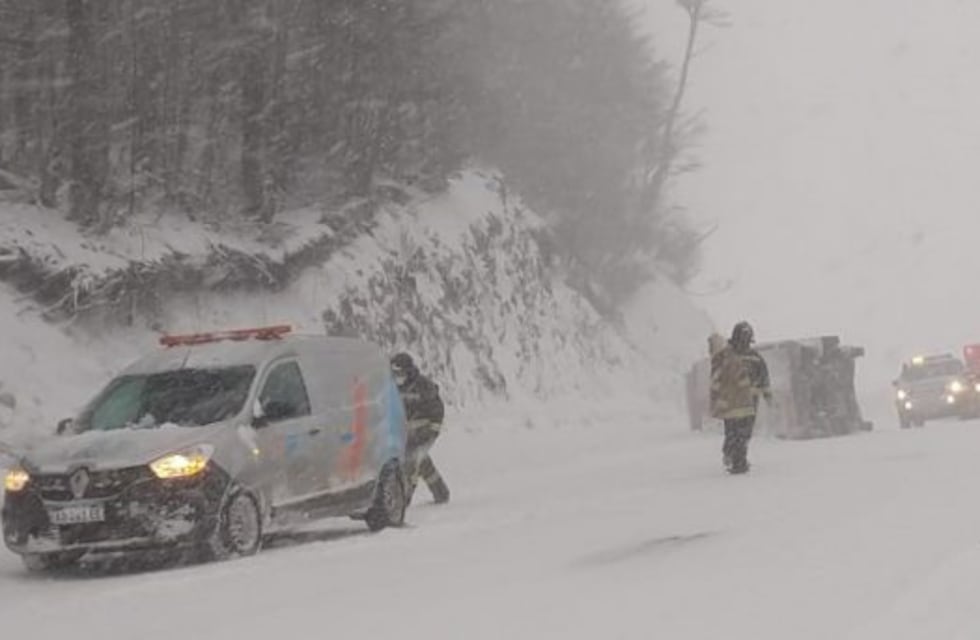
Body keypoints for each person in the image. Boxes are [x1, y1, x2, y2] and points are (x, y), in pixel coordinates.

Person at [710, 322, 772, 474]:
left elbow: (763, 377)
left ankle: (733, 455)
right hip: (739, 402)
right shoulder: (747, 357)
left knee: (737, 432)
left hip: (742, 402)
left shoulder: (744, 356)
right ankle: (739, 462)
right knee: (739, 432)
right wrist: (767, 395)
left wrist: (767, 394)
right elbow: (764, 378)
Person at [391, 353, 450, 504]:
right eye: (395, 374)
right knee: (421, 460)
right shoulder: (390, 388)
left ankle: (404, 498)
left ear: (409, 371)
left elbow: (437, 410)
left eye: (401, 374)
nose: (398, 377)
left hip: (424, 430)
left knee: (412, 460)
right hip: (403, 432)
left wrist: (432, 430)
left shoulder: (424, 386)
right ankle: (441, 492)